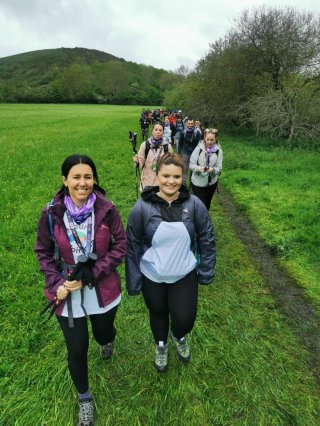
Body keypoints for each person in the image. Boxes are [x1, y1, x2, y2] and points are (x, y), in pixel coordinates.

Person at [34, 154, 127, 426]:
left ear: (94, 179)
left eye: (88, 177)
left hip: (103, 288)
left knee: (102, 333)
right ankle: (84, 398)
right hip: (67, 291)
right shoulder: (51, 213)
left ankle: (107, 340)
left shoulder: (107, 209)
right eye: (76, 177)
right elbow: (43, 252)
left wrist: (92, 273)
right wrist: (56, 284)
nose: (82, 183)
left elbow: (120, 247)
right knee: (76, 349)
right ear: (65, 180)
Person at [126, 152, 216, 373]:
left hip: (184, 274)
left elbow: (207, 238)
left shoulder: (194, 205)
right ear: (157, 176)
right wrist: (134, 280)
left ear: (182, 177)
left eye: (176, 176)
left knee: (185, 319)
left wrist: (205, 271)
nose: (171, 181)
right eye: (166, 175)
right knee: (157, 313)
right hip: (152, 275)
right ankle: (161, 345)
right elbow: (133, 245)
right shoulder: (142, 207)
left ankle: (178, 335)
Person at [189, 128, 223, 210]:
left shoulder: (219, 151)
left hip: (211, 183)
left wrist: (213, 170)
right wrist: (200, 168)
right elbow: (191, 165)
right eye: (207, 139)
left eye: (212, 139)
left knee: (207, 205)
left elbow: (219, 170)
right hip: (198, 182)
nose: (209, 142)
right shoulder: (198, 149)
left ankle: (204, 221)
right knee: (201, 206)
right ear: (204, 138)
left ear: (215, 139)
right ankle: (198, 221)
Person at [134, 121, 173, 190]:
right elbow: (141, 164)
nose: (158, 132)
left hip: (162, 182)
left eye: (160, 130)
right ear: (152, 131)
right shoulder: (145, 145)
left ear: (163, 132)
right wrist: (137, 161)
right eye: (156, 130)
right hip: (147, 181)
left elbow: (171, 163)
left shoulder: (167, 147)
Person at [178, 118, 202, 184]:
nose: (190, 125)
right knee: (185, 169)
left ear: (194, 124)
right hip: (185, 152)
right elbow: (180, 143)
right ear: (186, 123)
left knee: (193, 169)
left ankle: (192, 184)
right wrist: (178, 153)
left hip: (195, 153)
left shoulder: (197, 132)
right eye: (189, 123)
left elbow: (200, 143)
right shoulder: (183, 132)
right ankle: (183, 186)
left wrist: (200, 153)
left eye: (191, 124)